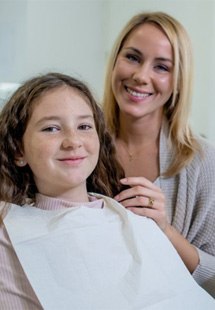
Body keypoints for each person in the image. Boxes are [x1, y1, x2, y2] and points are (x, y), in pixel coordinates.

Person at [1, 72, 214, 309]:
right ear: (18, 150)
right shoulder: (8, 232)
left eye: (84, 126)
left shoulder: (136, 220)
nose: (73, 141)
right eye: (51, 128)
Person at [102, 10, 215, 298]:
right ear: (114, 61)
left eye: (162, 67)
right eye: (133, 57)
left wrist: (165, 229)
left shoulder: (204, 163)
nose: (141, 76)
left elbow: (213, 277)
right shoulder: (82, 143)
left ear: (178, 81)